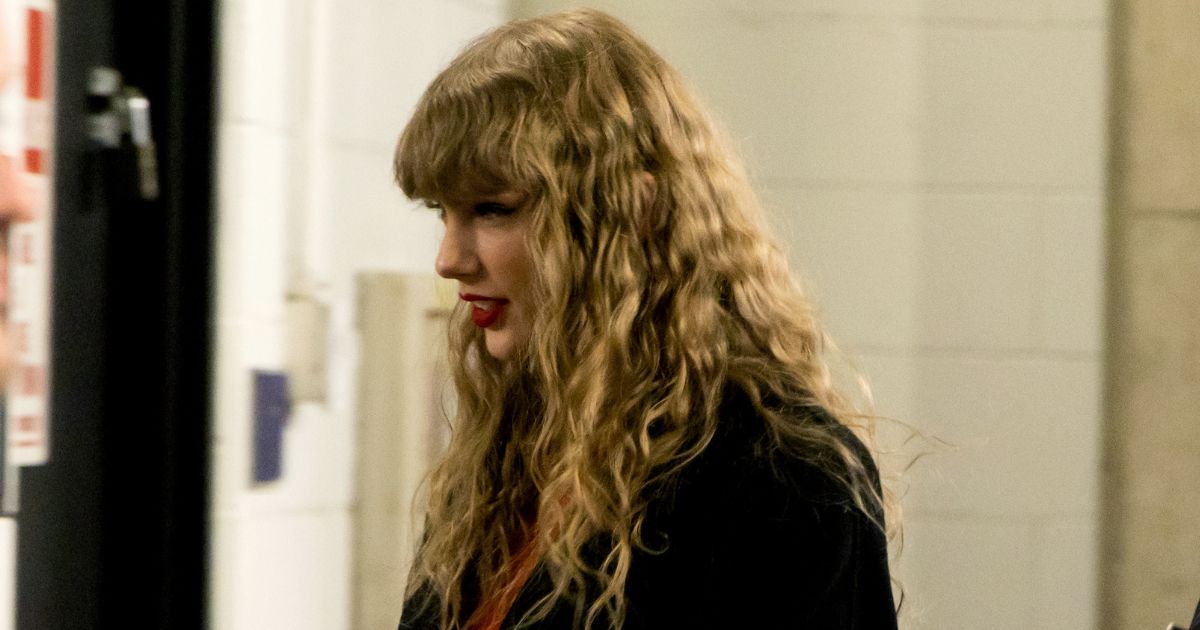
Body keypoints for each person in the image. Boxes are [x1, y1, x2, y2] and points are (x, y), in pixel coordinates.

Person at [394, 9, 898, 629]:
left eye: (493, 209)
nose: (448, 260)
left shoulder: (778, 472)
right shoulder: (503, 463)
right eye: (441, 212)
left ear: (635, 208)